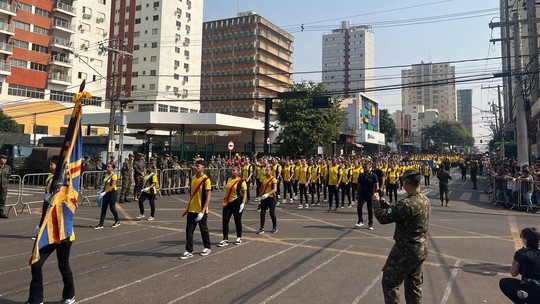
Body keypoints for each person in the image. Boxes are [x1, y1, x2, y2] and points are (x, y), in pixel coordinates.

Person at [373, 169, 431, 304]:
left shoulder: (407, 203)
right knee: (413, 286)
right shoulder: (424, 200)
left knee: (390, 282)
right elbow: (399, 210)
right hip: (420, 249)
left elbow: (383, 217)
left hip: (405, 250)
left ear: (405, 183)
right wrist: (387, 205)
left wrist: (376, 203)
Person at [180, 159, 212, 259]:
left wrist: (202, 212)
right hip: (192, 209)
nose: (196, 167)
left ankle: (207, 247)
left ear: (203, 167)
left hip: (201, 210)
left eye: (198, 166)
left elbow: (208, 197)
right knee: (189, 230)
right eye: (195, 165)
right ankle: (189, 250)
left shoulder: (206, 180)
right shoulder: (193, 178)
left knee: (203, 229)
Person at [499, 227, 540, 303]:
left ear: (525, 239)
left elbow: (513, 273)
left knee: (504, 283)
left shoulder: (521, 253)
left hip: (530, 288)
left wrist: (515, 261)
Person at [218, 166, 247, 247]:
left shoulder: (241, 181)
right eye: (232, 170)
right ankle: (225, 239)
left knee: (237, 220)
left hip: (237, 202)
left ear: (238, 171)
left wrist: (243, 203)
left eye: (234, 170)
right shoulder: (229, 179)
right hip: (228, 203)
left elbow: (245, 193)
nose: (232, 172)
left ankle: (238, 237)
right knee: (225, 220)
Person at [93, 163, 120, 229]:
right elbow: (105, 184)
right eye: (107, 166)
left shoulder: (114, 175)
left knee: (112, 208)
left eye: (109, 167)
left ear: (112, 168)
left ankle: (117, 221)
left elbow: (112, 186)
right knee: (103, 208)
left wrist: (104, 192)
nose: (107, 168)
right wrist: (101, 191)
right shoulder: (106, 174)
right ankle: (101, 224)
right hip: (106, 193)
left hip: (112, 193)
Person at [356, 162, 378, 230]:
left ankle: (370, 224)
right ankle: (360, 220)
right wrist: (357, 193)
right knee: (359, 207)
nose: (364, 169)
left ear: (369, 168)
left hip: (370, 194)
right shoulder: (361, 175)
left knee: (370, 209)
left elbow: (376, 184)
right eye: (363, 167)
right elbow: (359, 185)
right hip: (362, 194)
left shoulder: (373, 175)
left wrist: (376, 192)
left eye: (365, 167)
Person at [257, 165, 278, 234]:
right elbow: (261, 188)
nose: (266, 172)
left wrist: (268, 194)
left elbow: (275, 189)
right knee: (262, 213)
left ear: (271, 171)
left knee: (272, 213)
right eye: (266, 170)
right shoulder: (263, 178)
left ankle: (274, 227)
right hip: (264, 198)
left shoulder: (273, 179)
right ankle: (261, 228)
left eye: (268, 170)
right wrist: (259, 196)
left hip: (271, 198)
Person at [0, 154, 11, 218]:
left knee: (2, 199)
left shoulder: (8, 167)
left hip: (4, 186)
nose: (4, 160)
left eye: (5, 159)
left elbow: (9, 175)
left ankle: (1, 212)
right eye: (3, 159)